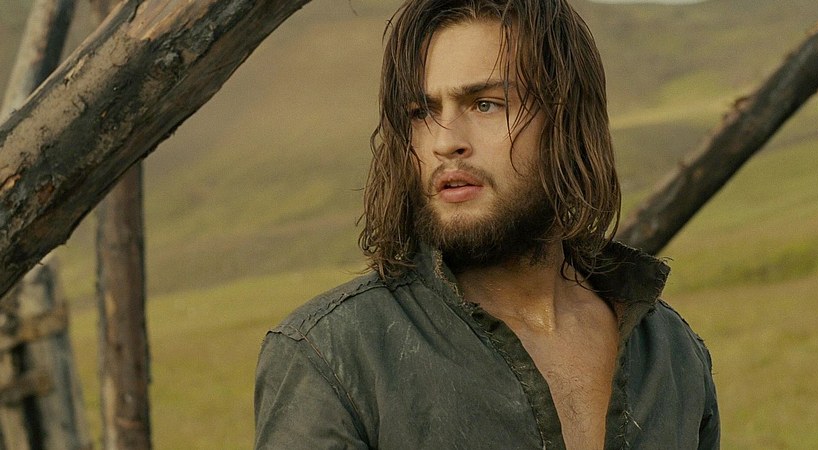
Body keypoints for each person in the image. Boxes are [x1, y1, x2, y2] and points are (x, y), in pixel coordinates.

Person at [254, 0, 720, 448]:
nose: (445, 142)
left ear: (566, 119)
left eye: (485, 105)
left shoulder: (672, 354)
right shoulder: (333, 355)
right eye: (422, 113)